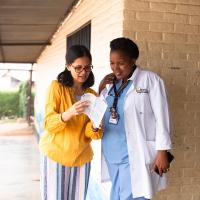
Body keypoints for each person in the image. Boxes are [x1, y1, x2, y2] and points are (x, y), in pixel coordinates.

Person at [99, 37, 172, 200]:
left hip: (133, 152)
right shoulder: (110, 84)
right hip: (112, 152)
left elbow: (163, 117)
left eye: (121, 63)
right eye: (112, 63)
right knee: (117, 195)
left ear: (133, 60)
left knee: (132, 196)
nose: (115, 68)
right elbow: (100, 111)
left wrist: (162, 151)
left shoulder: (150, 80)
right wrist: (100, 88)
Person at [39, 45, 102, 200]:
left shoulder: (91, 95)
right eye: (78, 67)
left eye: (87, 68)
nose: (83, 72)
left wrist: (94, 125)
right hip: (56, 155)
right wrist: (69, 113)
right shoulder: (57, 87)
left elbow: (91, 134)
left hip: (82, 159)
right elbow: (48, 123)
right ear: (68, 66)